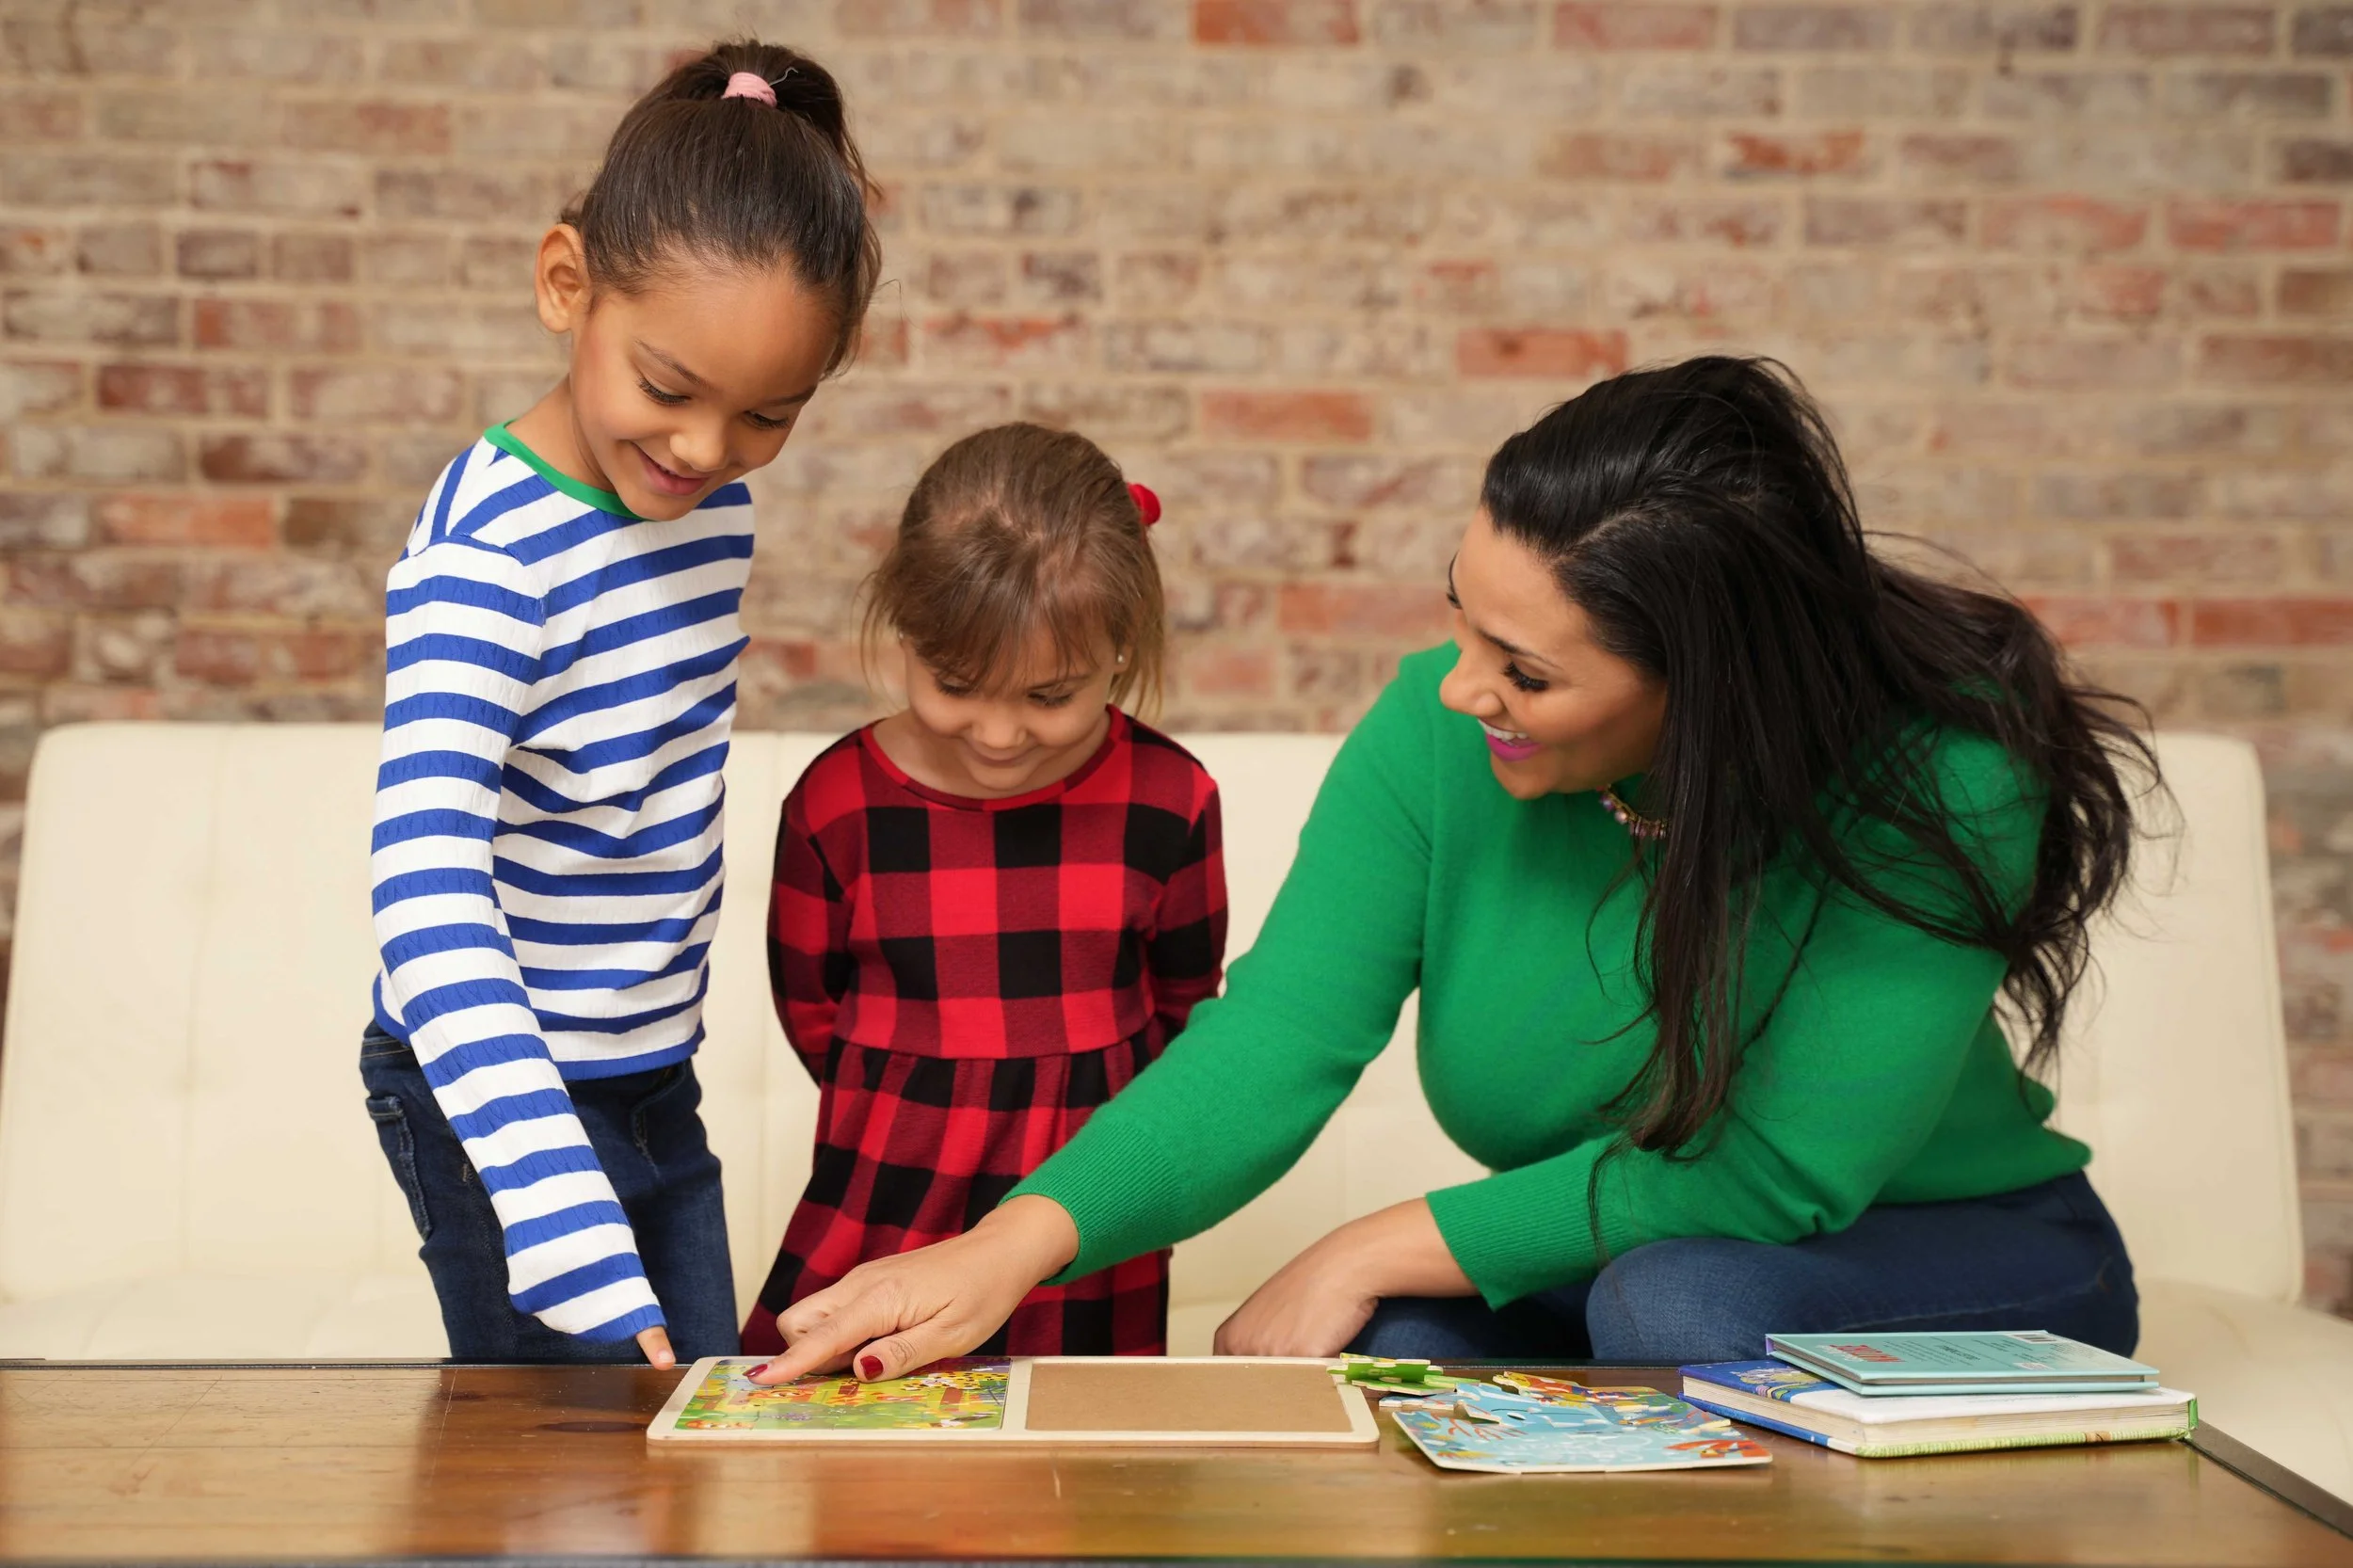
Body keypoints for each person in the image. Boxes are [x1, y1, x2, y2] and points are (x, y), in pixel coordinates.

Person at [751, 356, 2160, 1384]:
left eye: (1528, 670)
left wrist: (1366, 1240)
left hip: (1964, 1250)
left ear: (1710, 684)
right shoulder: (1438, 736)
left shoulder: (1944, 776)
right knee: (1395, 1355)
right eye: (1464, 623)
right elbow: (1276, 1037)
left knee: (1673, 1307)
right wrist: (1008, 1245)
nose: (1461, 688)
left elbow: (1772, 1173)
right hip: (1614, 1263)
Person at [359, 40, 880, 1367]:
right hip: (499, 1098)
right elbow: (424, 899)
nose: (706, 451)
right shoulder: (490, 558)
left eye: (768, 414)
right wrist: (557, 1209)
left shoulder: (712, 513)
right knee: (560, 1485)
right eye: (668, 388)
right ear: (565, 284)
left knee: (695, 1456)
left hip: (651, 1076)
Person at [741, 424, 1227, 1371]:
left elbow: (1184, 1016)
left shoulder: (1171, 802)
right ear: (907, 631)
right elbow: (811, 1012)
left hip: (1079, 1217)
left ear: (1120, 648)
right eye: (957, 686)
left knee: (1075, 1494)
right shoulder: (836, 805)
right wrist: (921, 1089)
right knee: (848, 1486)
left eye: (1049, 695)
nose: (1000, 734)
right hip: (884, 1203)